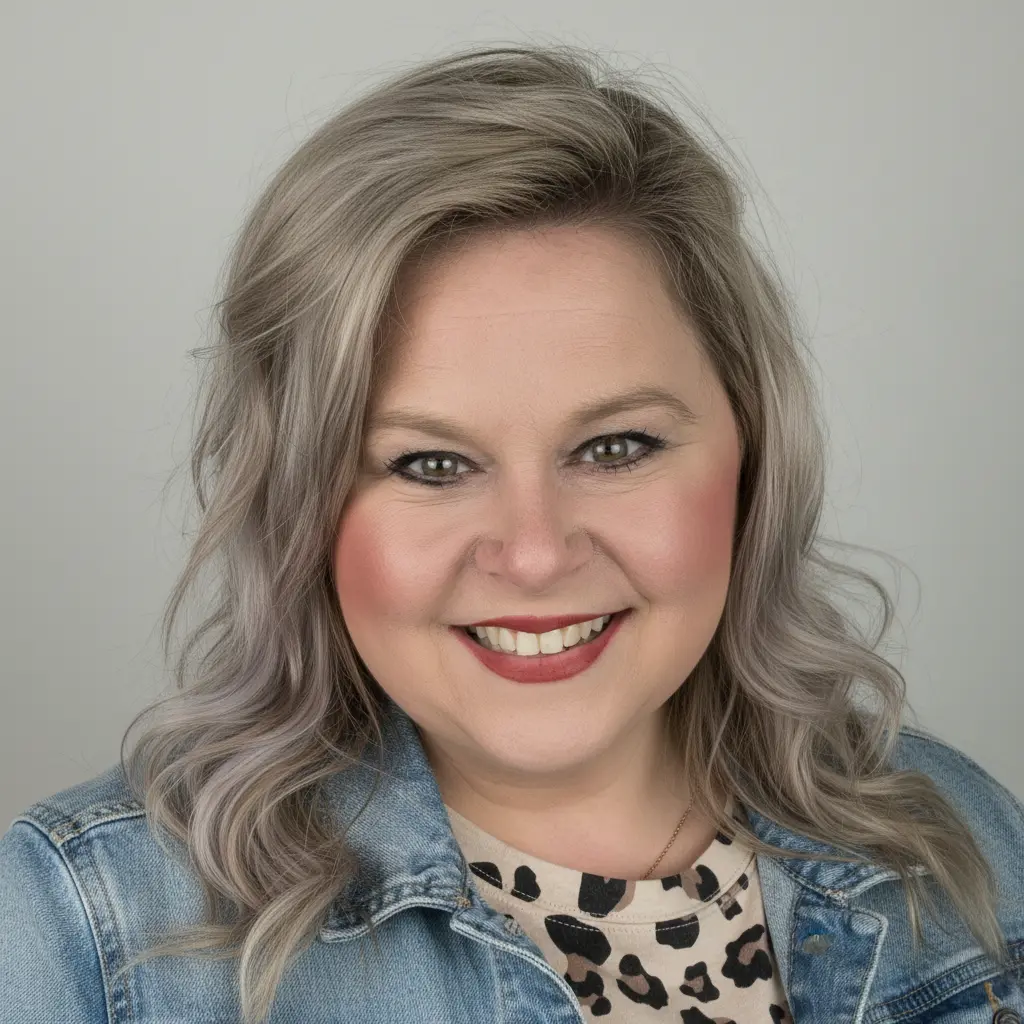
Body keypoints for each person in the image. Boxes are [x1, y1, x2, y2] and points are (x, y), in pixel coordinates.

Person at [2, 43, 1023, 1024]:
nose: (534, 553)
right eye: (430, 464)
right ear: (299, 501)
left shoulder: (960, 836)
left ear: (753, 450)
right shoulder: (83, 925)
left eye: (615, 447)